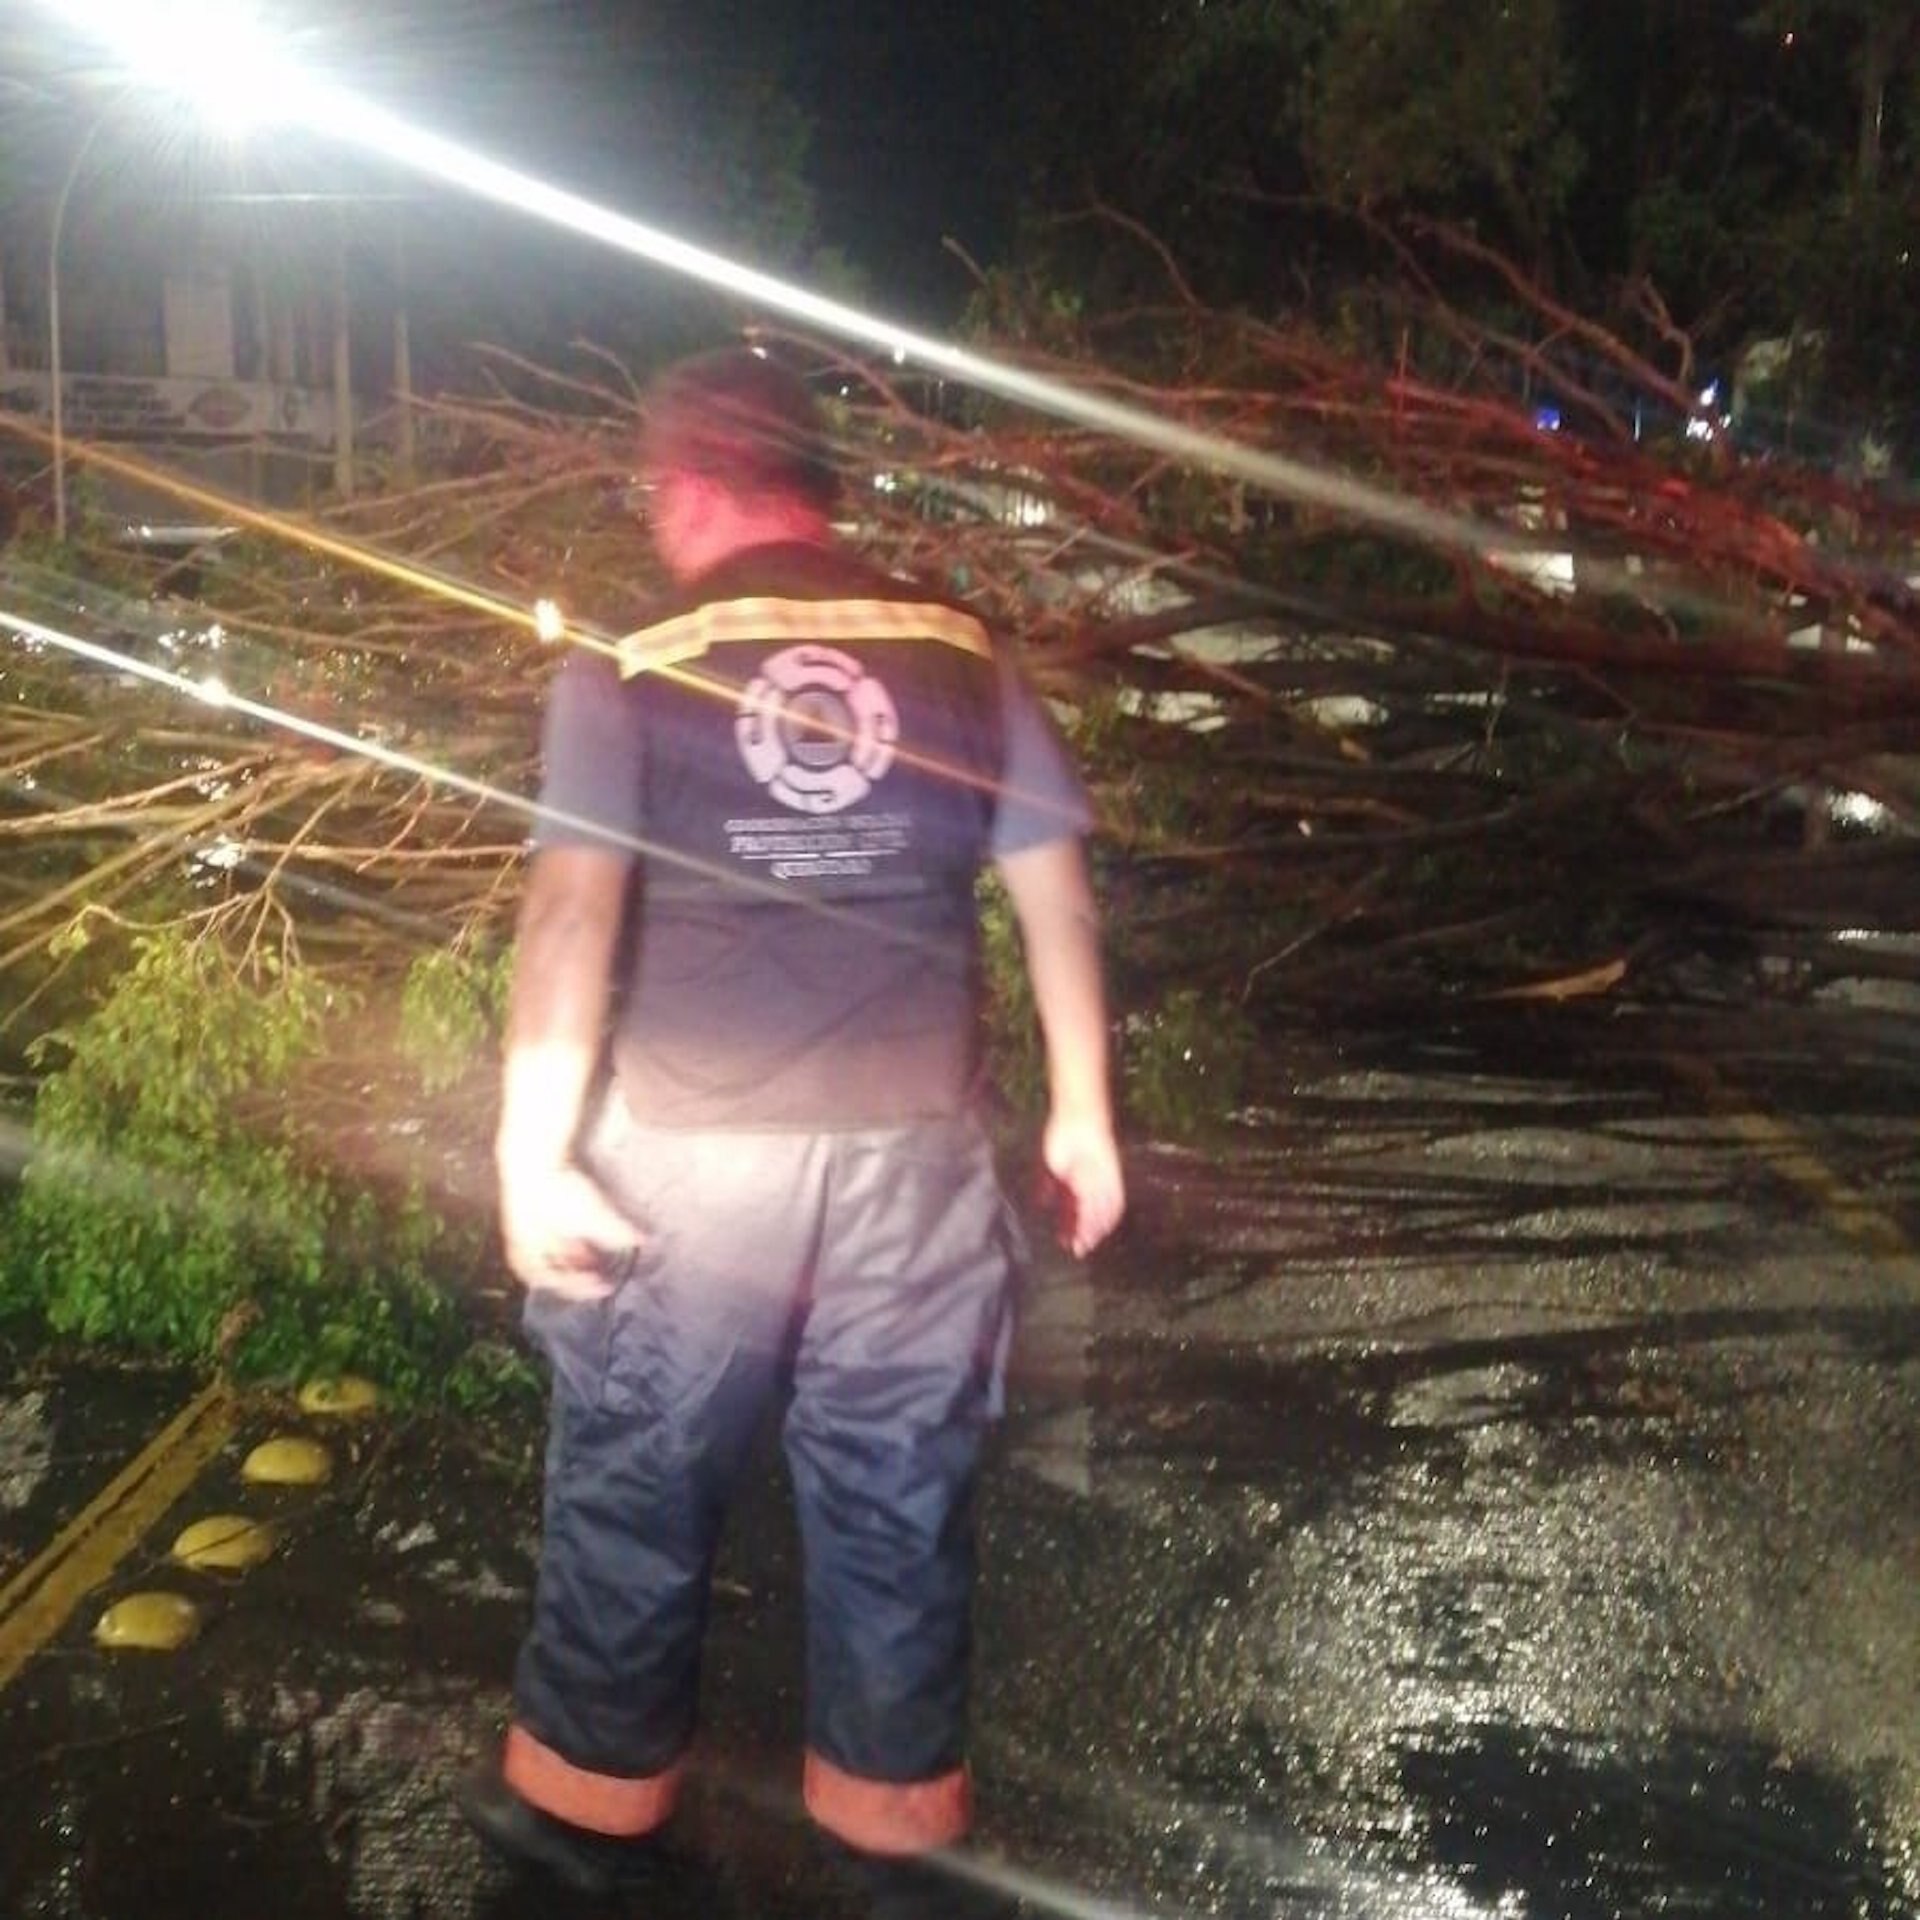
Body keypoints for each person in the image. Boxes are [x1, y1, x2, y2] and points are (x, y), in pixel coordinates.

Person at [460, 346, 1126, 1907]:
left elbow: (571, 913)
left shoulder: (631, 658)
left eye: (659, 494)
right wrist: (1084, 1114)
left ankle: (579, 1858)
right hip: (918, 1163)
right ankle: (898, 1875)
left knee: (636, 1498)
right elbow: (1057, 895)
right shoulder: (959, 648)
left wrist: (528, 1149)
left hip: (693, 1166)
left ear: (696, 485)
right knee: (898, 1516)